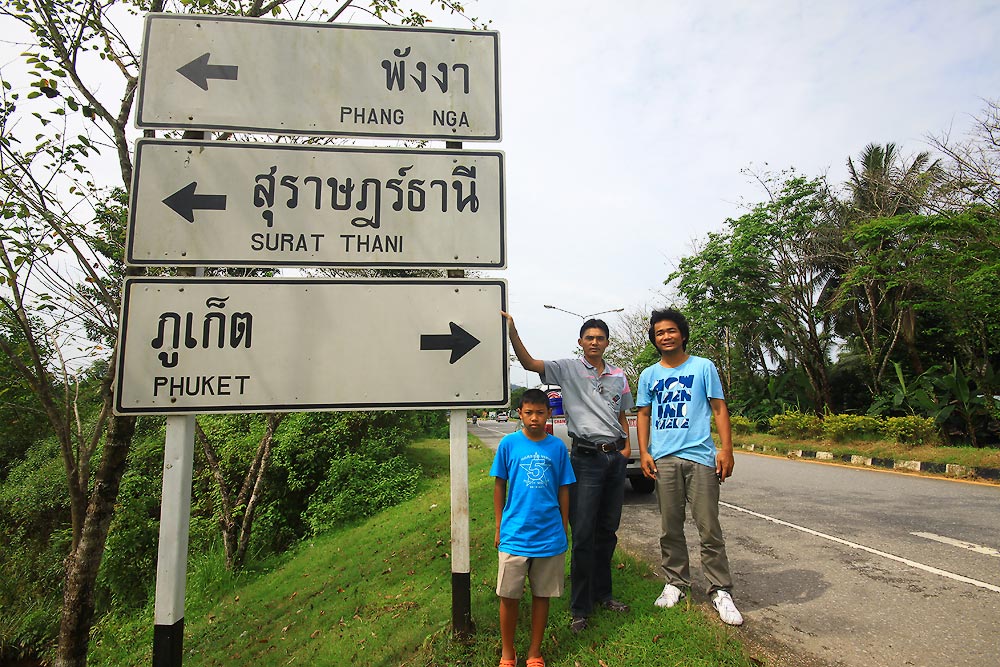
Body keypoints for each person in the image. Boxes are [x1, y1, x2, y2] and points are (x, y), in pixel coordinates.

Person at [502, 311, 633, 634]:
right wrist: (512, 333)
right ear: (580, 342)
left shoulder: (619, 374)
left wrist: (626, 448)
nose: (594, 343)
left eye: (600, 338)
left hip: (615, 458)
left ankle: (604, 595)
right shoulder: (569, 368)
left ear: (606, 342)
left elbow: (622, 413)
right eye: (588, 338)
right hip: (586, 460)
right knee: (584, 534)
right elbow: (531, 363)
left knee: (607, 531)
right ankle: (580, 608)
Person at [635, 308, 744, 626]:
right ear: (654, 340)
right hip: (664, 460)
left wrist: (726, 449)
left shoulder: (703, 367)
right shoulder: (649, 375)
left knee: (709, 527)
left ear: (682, 334)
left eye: (670, 331)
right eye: (659, 333)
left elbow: (719, 408)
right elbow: (643, 414)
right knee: (670, 527)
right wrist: (644, 452)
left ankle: (720, 590)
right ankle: (675, 583)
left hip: (700, 458)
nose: (665, 336)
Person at [491, 388, 576, 667]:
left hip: (548, 535)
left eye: (540, 412)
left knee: (542, 595)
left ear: (549, 414)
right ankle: (507, 652)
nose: (534, 418)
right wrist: (498, 526)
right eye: (529, 413)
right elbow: (499, 485)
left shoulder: (557, 448)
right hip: (514, 534)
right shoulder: (508, 444)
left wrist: (563, 527)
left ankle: (534, 652)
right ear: (520, 413)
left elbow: (564, 489)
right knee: (508, 596)